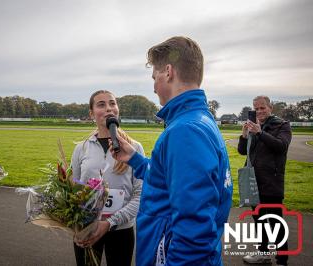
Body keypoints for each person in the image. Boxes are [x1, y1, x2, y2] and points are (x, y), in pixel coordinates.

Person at [110, 36, 233, 265]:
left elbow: (193, 230)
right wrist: (135, 160)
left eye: (154, 77)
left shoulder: (185, 131)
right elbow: (170, 181)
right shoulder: (198, 120)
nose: (154, 86)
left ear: (168, 72)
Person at [71, 90, 144, 266]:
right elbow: (74, 192)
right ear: (91, 113)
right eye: (101, 104)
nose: (109, 108)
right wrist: (76, 223)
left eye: (112, 103)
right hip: (87, 228)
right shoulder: (81, 149)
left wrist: (110, 222)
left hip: (121, 230)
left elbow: (140, 195)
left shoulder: (134, 148)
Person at [238, 96, 292, 265]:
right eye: (256, 108)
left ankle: (282, 259)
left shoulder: (282, 125)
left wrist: (260, 132)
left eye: (262, 108)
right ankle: (263, 253)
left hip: (272, 181)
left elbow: (281, 146)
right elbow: (242, 151)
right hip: (254, 180)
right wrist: (245, 134)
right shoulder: (255, 126)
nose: (259, 111)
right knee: (259, 220)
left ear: (271, 108)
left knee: (276, 222)